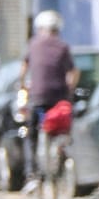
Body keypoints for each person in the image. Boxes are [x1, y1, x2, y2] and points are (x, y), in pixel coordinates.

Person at [22, 10, 77, 188]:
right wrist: (69, 90)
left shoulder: (33, 45)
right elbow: (73, 72)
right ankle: (62, 154)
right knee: (64, 127)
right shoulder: (63, 47)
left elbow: (23, 68)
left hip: (37, 97)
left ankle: (32, 175)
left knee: (30, 134)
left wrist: (22, 85)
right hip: (58, 97)